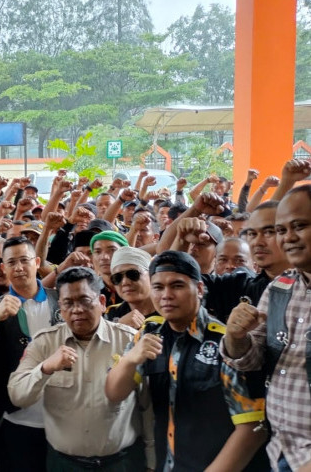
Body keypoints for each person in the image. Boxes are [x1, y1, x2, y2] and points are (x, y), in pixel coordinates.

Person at [105, 251, 266, 471]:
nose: (166, 295)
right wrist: (130, 359)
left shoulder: (225, 343)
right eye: (158, 287)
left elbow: (252, 428)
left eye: (177, 286)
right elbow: (114, 393)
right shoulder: (148, 335)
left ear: (199, 289)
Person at [8, 266, 153, 471]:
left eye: (85, 300)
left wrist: (152, 459)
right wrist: (46, 368)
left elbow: (147, 405)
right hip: (65, 464)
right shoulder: (44, 343)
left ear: (102, 303)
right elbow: (18, 396)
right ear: (60, 307)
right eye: (68, 303)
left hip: (123, 462)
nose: (77, 309)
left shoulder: (130, 340)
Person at [221, 184, 311, 471]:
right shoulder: (280, 288)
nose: (289, 238)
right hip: (282, 449)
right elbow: (250, 358)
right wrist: (236, 337)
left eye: (299, 226)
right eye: (282, 230)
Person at [0, 236, 60, 472]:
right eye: (11, 262)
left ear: (37, 262)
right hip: (18, 418)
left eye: (24, 260)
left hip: (64, 415)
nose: (18, 268)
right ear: (4, 267)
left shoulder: (60, 300)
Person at [105, 246, 158, 329]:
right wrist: (118, 327)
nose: (125, 282)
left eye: (133, 274)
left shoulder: (170, 310)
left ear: (152, 275)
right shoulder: (111, 314)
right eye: (117, 277)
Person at [90, 231, 128, 306]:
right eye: (98, 252)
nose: (104, 257)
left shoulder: (136, 286)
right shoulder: (89, 290)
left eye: (112, 250)